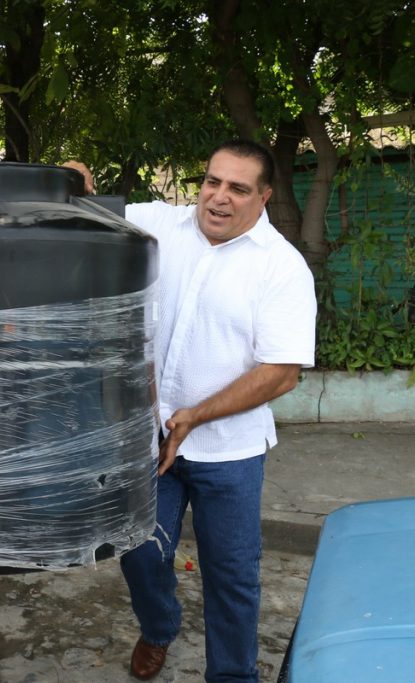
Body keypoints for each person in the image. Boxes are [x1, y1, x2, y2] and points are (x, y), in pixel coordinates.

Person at [111, 140, 316, 682]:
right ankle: (160, 626)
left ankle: (232, 676)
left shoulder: (281, 267)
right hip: (153, 442)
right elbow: (92, 208)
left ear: (264, 197)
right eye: (212, 181)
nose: (218, 197)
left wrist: (195, 416)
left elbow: (282, 372)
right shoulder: (161, 225)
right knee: (138, 551)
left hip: (230, 453)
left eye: (238, 189)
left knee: (231, 576)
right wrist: (76, 181)